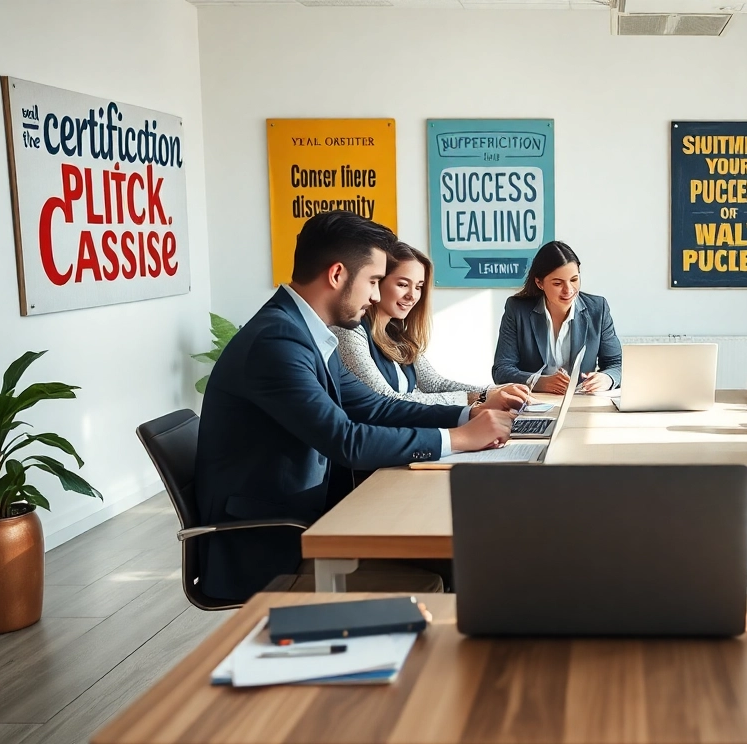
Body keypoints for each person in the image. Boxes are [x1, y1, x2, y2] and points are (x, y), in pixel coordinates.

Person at [195, 211, 515, 602]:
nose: (378, 296)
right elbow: (346, 441)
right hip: (273, 546)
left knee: (459, 557)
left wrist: (468, 414)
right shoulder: (277, 342)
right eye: (375, 281)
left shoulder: (304, 331)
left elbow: (375, 407)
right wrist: (459, 438)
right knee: (450, 568)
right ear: (336, 275)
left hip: (313, 519)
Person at [334, 241, 532, 409]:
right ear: (377, 282)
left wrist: (491, 391)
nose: (412, 295)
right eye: (403, 284)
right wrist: (475, 398)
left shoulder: (396, 335)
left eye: (418, 287)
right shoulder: (350, 332)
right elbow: (387, 399)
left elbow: (433, 383)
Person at [493, 241, 622, 394]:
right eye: (557, 283)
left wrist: (607, 378)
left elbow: (617, 364)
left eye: (574, 280)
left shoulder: (598, 308)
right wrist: (540, 382)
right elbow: (501, 370)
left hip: (581, 400)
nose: (568, 290)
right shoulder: (517, 309)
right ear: (539, 283)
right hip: (533, 403)